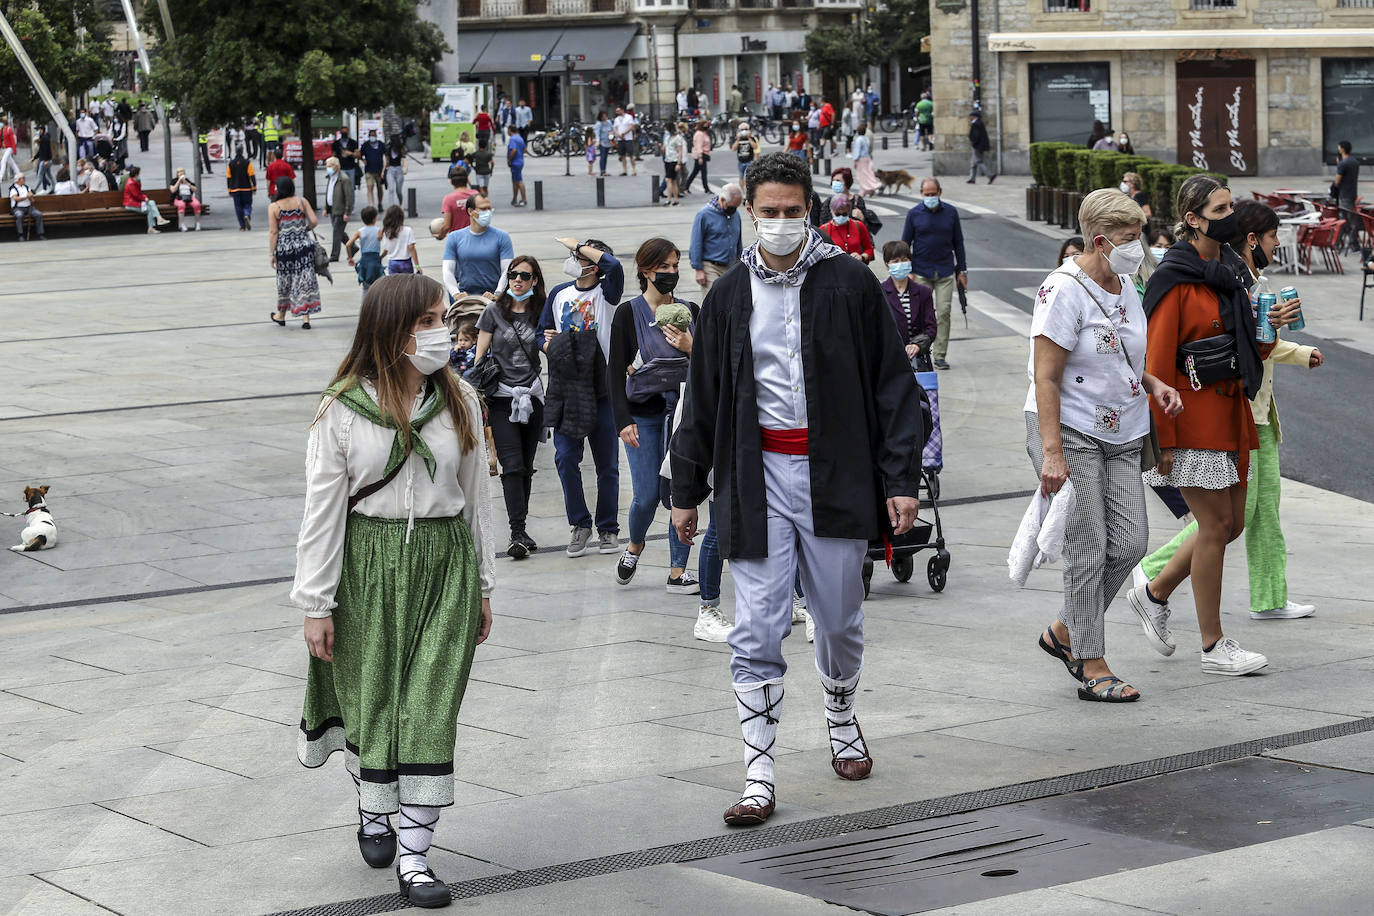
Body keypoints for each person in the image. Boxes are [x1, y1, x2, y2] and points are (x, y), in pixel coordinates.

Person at [669, 152, 924, 827]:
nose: (780, 224)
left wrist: (902, 479)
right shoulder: (727, 297)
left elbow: (894, 387)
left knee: (837, 619)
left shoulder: (850, 283)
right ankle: (758, 774)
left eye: (792, 212)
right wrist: (686, 489)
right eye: (768, 212)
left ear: (810, 208)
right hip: (756, 479)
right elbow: (702, 398)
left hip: (835, 475)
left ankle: (840, 714)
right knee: (755, 624)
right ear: (748, 212)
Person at [293, 273, 493, 909]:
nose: (444, 330)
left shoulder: (461, 397)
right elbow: (321, 513)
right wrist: (315, 605)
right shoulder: (343, 408)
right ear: (393, 327)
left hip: (446, 565)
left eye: (444, 318)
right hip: (368, 567)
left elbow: (479, 503)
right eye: (430, 319)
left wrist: (485, 585)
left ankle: (415, 859)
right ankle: (374, 812)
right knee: (374, 702)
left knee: (429, 710)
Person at [1133, 175, 1297, 677]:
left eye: (1231, 206)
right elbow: (1156, 363)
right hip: (1191, 419)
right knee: (1214, 526)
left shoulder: (1228, 271)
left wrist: (1271, 331)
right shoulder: (1175, 278)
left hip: (1231, 415)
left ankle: (1154, 591)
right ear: (1193, 218)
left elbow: (1241, 347)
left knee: (1233, 524)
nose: (1232, 216)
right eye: (1221, 208)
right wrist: (1164, 440)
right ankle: (1213, 644)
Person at [1026, 189, 1183, 703]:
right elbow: (1046, 377)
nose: (1138, 248)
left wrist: (1154, 382)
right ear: (1099, 240)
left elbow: (1124, 353)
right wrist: (1052, 452)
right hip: (1069, 428)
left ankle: (1066, 629)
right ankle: (1090, 661)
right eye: (1129, 239)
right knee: (1088, 550)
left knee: (1132, 541)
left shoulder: (1126, 284)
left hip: (1124, 428)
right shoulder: (1063, 289)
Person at [610, 238, 701, 593]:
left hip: (683, 414)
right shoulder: (628, 313)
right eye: (664, 268)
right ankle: (635, 545)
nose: (671, 274)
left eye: (675, 266)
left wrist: (691, 346)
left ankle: (678, 571)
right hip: (644, 415)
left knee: (681, 494)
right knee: (647, 494)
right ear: (645, 270)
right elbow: (614, 370)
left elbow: (710, 363)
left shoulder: (690, 309)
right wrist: (622, 420)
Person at [536, 238, 625, 558]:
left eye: (580, 255)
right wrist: (549, 346)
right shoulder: (560, 294)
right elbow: (540, 332)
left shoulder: (607, 292)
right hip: (566, 388)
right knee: (565, 458)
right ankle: (580, 524)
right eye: (574, 253)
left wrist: (580, 245)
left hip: (601, 389)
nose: (573, 258)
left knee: (607, 464)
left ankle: (608, 527)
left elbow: (614, 266)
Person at [474, 256, 547, 559]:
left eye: (524, 276)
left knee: (526, 468)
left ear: (534, 282)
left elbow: (550, 345)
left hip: (532, 397)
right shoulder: (494, 311)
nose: (518, 280)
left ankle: (522, 528)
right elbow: (479, 357)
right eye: (513, 275)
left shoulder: (542, 312)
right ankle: (517, 532)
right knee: (512, 465)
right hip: (502, 398)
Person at [901, 178, 966, 370]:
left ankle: (940, 355)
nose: (930, 197)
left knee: (943, 312)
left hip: (945, 270)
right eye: (926, 194)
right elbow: (905, 243)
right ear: (921, 193)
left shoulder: (951, 213)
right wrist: (908, 271)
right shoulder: (914, 214)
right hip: (921, 271)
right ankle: (922, 350)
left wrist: (962, 270)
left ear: (940, 192)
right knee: (921, 315)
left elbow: (959, 243)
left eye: (933, 194)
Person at [268, 176, 322, 328]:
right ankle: (305, 319)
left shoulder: (274, 207)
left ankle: (281, 315)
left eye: (277, 187)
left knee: (285, 282)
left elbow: (273, 232)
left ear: (280, 189)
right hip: (303, 247)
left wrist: (272, 254)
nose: (275, 189)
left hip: (284, 249)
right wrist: (304, 230)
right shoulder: (302, 202)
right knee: (304, 281)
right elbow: (314, 221)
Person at [441, 195, 513, 298]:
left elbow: (507, 270)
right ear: (470, 211)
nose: (488, 212)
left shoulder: (502, 237)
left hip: (492, 295)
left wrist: (497, 294)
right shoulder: (454, 237)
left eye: (489, 208)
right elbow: (447, 270)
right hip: (464, 295)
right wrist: (456, 294)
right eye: (483, 209)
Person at [880, 241, 936, 370]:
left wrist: (917, 345)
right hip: (891, 361)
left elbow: (931, 327)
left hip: (919, 360)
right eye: (895, 261)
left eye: (904, 260)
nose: (900, 264)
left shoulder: (923, 292)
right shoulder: (880, 293)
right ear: (887, 264)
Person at [690, 183, 744, 293]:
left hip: (731, 266)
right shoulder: (704, 214)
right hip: (711, 266)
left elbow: (738, 241)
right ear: (723, 200)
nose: (734, 210)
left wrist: (741, 263)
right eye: (732, 207)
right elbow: (696, 242)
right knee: (713, 301)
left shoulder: (735, 214)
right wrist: (698, 269)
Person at [820, 195, 874, 262]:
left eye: (844, 214)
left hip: (855, 268)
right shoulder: (824, 229)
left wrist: (862, 257)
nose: (841, 216)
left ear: (849, 211)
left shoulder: (858, 225)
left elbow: (869, 249)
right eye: (837, 214)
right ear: (831, 211)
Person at [347, 205, 385, 291]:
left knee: (365, 287)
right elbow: (383, 242)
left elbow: (348, 244)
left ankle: (365, 303)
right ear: (375, 218)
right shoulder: (379, 231)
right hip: (375, 259)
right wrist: (382, 256)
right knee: (378, 286)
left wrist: (350, 257)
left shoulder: (360, 231)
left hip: (365, 259)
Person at [325, 156, 355, 262]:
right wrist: (326, 208)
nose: (327, 168)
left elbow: (349, 196)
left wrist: (347, 212)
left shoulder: (344, 179)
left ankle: (334, 255)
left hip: (341, 210)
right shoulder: (330, 177)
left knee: (336, 233)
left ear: (336, 167)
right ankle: (352, 247)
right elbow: (329, 193)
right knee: (339, 232)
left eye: (329, 166)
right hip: (332, 209)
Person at [1333, 140, 1360, 252]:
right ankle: (1352, 244)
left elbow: (1337, 181)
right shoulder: (1354, 162)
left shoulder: (1343, 164)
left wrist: (1339, 166)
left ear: (1342, 149)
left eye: (1339, 148)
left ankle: (1340, 243)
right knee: (1348, 219)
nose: (1338, 150)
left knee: (1344, 220)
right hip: (1352, 193)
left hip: (1344, 195)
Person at [379, 205, 420, 276]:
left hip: (393, 263)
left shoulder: (386, 232)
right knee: (407, 284)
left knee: (394, 285)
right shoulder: (408, 230)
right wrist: (417, 266)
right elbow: (411, 248)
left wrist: (381, 257)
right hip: (405, 263)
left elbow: (386, 249)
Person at [438, 168, 478, 239]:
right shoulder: (476, 195)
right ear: (467, 180)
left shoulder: (448, 199)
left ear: (451, 182)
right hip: (476, 238)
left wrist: (440, 236)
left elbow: (446, 226)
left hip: (457, 240)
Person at [122, 166, 162, 234]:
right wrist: (144, 198)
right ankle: (154, 224)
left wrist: (144, 198)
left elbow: (138, 194)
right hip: (131, 204)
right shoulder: (131, 183)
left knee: (152, 202)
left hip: (135, 203)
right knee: (150, 209)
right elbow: (136, 195)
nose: (140, 175)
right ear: (136, 174)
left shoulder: (133, 181)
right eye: (139, 173)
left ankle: (158, 219)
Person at [8, 173, 44, 241]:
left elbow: (32, 200)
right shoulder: (13, 188)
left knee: (38, 214)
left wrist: (31, 197)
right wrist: (26, 197)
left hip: (28, 207)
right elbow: (16, 198)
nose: (24, 179)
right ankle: (20, 235)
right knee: (19, 215)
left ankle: (40, 234)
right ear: (18, 180)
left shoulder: (26, 187)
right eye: (23, 178)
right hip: (18, 208)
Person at [227, 151, 257, 231]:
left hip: (235, 188)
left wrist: (229, 190)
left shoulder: (231, 163)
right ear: (243, 151)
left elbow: (229, 178)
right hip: (246, 188)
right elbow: (252, 175)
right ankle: (247, 214)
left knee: (238, 207)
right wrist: (254, 187)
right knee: (247, 204)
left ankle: (242, 226)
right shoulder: (247, 162)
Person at [681, 121, 712, 195]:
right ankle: (706, 188)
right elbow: (699, 146)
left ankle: (686, 186)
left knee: (695, 172)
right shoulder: (699, 134)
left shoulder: (703, 133)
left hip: (703, 154)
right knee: (703, 172)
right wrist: (700, 156)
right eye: (705, 125)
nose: (707, 126)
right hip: (700, 155)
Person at [662, 122, 688, 207]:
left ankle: (669, 199)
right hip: (668, 160)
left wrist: (678, 163)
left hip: (674, 160)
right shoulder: (667, 138)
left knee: (668, 180)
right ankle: (676, 200)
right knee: (673, 181)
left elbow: (680, 151)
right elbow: (665, 148)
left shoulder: (677, 138)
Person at [851, 124, 881, 198]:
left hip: (861, 159)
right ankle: (870, 189)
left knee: (862, 175)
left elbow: (857, 150)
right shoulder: (866, 138)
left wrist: (855, 160)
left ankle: (864, 190)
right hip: (867, 157)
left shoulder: (858, 140)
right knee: (869, 174)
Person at [967, 111, 996, 184]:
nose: (969, 117)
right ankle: (972, 178)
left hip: (977, 146)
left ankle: (990, 175)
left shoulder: (976, 124)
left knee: (978, 161)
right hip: (978, 145)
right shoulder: (978, 123)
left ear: (974, 116)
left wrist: (973, 141)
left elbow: (976, 135)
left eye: (971, 116)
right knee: (973, 163)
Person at [360, 129, 386, 209]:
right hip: (369, 170)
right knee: (370, 187)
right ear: (368, 136)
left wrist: (384, 169)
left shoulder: (381, 144)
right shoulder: (365, 145)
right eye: (371, 135)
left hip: (379, 170)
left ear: (376, 136)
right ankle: (371, 205)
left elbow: (386, 155)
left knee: (379, 187)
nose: (372, 137)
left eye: (374, 135)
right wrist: (363, 160)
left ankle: (380, 203)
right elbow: (360, 154)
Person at [614, 106, 638, 176]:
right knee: (622, 155)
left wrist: (624, 133)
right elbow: (615, 128)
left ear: (622, 110)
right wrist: (618, 134)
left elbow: (631, 126)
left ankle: (634, 170)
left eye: (618, 111)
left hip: (628, 138)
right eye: (616, 111)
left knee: (631, 155)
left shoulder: (629, 117)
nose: (617, 112)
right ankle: (625, 170)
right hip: (620, 139)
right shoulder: (616, 119)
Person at [507, 128, 527, 208]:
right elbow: (525, 149)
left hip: (515, 162)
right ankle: (514, 199)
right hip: (520, 161)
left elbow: (514, 150)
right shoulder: (520, 138)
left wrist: (509, 159)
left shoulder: (512, 139)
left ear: (510, 130)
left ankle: (524, 199)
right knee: (515, 181)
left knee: (519, 181)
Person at [31, 125, 53, 193]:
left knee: (40, 175)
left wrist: (46, 160)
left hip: (44, 160)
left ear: (42, 130)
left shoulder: (44, 138)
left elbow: (47, 150)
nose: (37, 131)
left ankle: (35, 190)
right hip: (44, 159)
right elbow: (41, 150)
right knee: (49, 175)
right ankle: (53, 187)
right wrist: (34, 158)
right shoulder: (43, 138)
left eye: (38, 130)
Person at [593, 112, 614, 177]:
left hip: (608, 141)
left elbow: (612, 129)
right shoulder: (599, 124)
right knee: (603, 156)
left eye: (605, 115)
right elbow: (597, 133)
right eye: (603, 116)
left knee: (605, 157)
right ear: (600, 117)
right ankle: (602, 171)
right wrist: (597, 141)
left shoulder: (609, 122)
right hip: (602, 142)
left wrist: (612, 136)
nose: (604, 117)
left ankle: (604, 170)